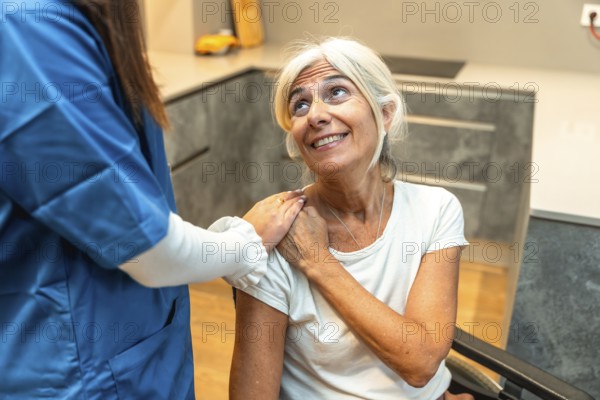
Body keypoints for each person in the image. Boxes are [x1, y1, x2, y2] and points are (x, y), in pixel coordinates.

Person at [0, 1, 304, 398]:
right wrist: (244, 244)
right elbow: (146, 245)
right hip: (76, 365)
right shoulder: (30, 28)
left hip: (136, 346)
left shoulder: (85, 24)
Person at [229, 37, 474, 400]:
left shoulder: (436, 209)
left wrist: (317, 262)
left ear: (385, 113)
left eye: (337, 92)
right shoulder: (279, 232)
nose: (315, 115)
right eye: (300, 104)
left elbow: (421, 362)